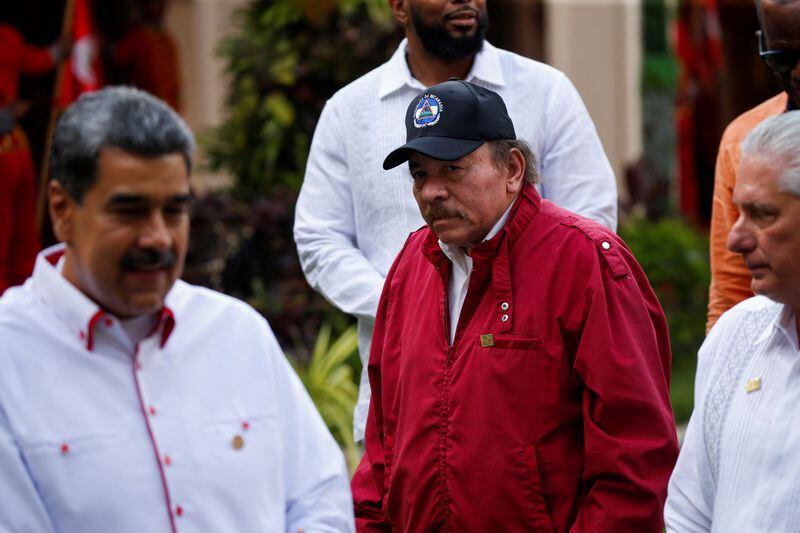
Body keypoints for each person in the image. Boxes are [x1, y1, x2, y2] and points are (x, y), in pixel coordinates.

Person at [0, 87, 354, 532]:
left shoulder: (237, 334)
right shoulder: (9, 357)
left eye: (174, 211)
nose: (158, 238)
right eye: (129, 212)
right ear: (62, 210)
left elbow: (320, 499)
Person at [351, 79, 677, 531]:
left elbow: (634, 462)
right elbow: (383, 446)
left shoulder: (585, 263)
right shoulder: (410, 265)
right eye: (420, 174)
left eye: (453, 169)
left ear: (513, 169)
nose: (431, 192)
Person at [294, 0, 618, 442]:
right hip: (400, 399)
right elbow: (318, 237)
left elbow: (590, 224)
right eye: (420, 174)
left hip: (528, 403)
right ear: (400, 6)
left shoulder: (545, 91)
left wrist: (511, 305)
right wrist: (404, 305)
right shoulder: (350, 110)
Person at [666, 112, 800, 532]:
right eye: (738, 212)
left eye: (761, 214)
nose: (734, 239)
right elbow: (688, 513)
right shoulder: (736, 334)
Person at [706, 0, 799, 332]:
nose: (799, 72)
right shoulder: (743, 141)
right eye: (784, 57)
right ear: (764, 43)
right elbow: (731, 293)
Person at [0, 13, 69, 294]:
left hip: (14, 147)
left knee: (24, 237)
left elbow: (33, 60)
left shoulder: (7, 35)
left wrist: (58, 52)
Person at [112, 0, 181, 111]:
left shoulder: (167, 40)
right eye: (153, 4)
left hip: (167, 110)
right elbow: (117, 59)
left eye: (161, 4)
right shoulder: (136, 38)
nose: (158, 8)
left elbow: (174, 85)